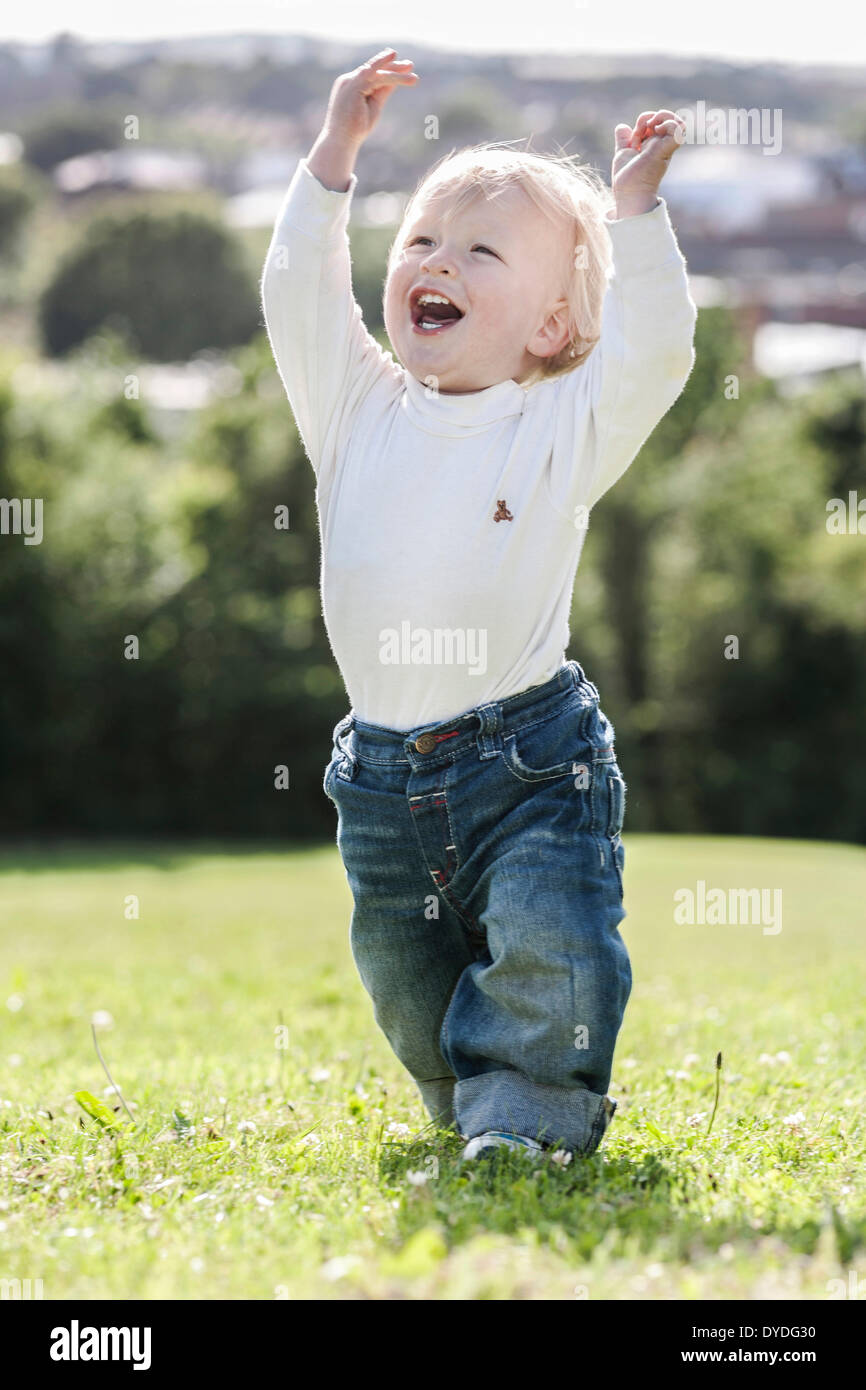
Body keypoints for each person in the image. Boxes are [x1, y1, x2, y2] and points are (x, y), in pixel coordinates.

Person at [261, 48, 696, 1160]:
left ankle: (531, 1118)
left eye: (479, 249)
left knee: (550, 951)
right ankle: (474, 1112)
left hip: (528, 762)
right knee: (411, 988)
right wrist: (334, 156)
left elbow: (653, 354)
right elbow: (296, 291)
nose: (435, 261)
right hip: (379, 776)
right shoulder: (353, 405)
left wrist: (634, 214)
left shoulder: (558, 427)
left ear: (550, 327)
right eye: (419, 242)